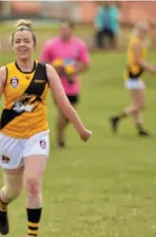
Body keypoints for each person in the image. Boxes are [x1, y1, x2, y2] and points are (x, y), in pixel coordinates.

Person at [0, 20, 92, 237]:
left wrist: (80, 129)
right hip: (9, 137)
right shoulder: (5, 72)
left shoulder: (46, 71)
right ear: (12, 46)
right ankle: (2, 204)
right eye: (18, 41)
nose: (22, 45)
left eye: (26, 41)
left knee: (33, 183)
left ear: (34, 45)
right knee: (12, 190)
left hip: (37, 135)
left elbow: (64, 103)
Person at [40, 20, 91, 148]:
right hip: (57, 84)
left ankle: (60, 130)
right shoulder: (51, 45)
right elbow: (43, 63)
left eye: (65, 29)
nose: (62, 31)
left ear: (71, 30)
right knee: (63, 110)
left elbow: (86, 64)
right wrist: (56, 68)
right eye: (61, 28)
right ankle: (60, 136)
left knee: (71, 112)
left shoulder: (79, 45)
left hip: (72, 85)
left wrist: (74, 71)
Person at [110, 21, 156, 136]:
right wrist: (150, 68)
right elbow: (138, 60)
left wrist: (149, 67)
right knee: (140, 104)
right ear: (139, 31)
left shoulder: (135, 41)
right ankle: (116, 118)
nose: (146, 34)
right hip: (134, 75)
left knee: (136, 104)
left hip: (134, 74)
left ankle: (140, 128)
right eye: (144, 31)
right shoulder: (137, 43)